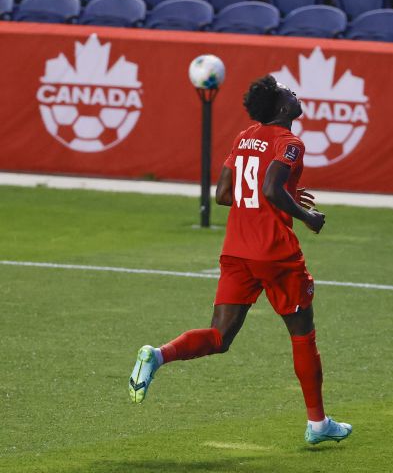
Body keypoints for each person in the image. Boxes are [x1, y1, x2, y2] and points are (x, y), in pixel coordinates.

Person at [128, 75, 352, 445]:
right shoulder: (290, 143)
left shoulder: (245, 136)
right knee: (303, 336)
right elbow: (268, 188)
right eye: (288, 93)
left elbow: (223, 194)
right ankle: (317, 423)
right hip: (276, 254)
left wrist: (285, 195)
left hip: (237, 250)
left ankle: (158, 355)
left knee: (220, 336)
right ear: (282, 109)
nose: (294, 95)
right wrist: (306, 216)